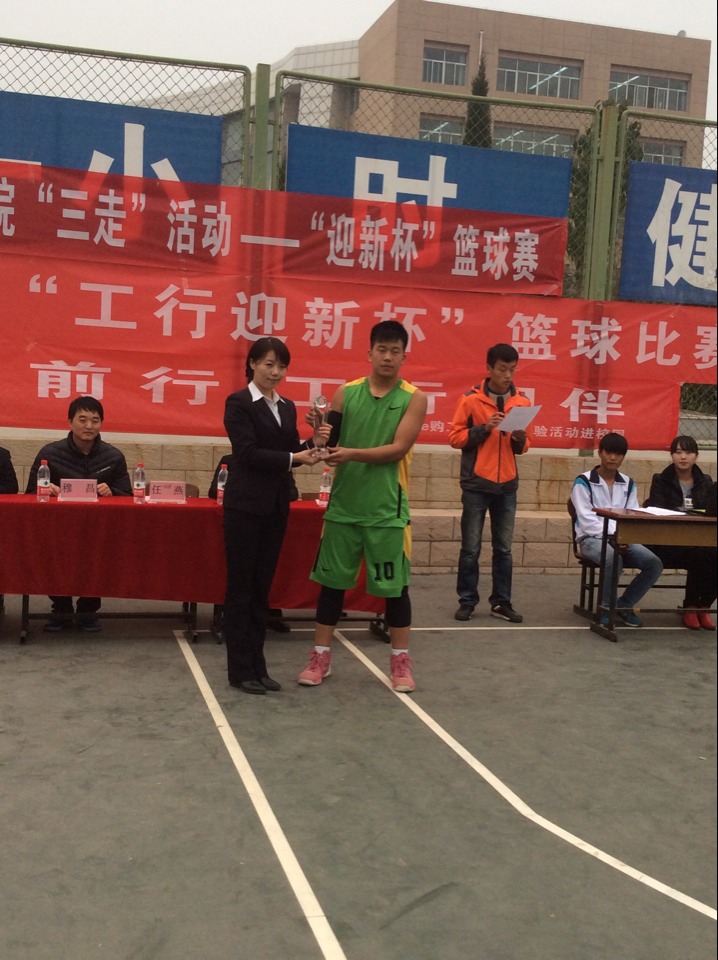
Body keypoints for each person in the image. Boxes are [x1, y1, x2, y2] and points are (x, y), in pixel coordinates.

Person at [297, 319, 427, 693]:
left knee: (395, 590)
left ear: (404, 356)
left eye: (395, 351)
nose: (387, 356)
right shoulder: (345, 393)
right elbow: (327, 445)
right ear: (369, 352)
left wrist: (351, 453)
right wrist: (318, 430)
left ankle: (400, 663)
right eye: (381, 349)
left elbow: (398, 449)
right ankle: (320, 657)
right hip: (344, 507)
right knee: (331, 586)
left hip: (387, 511)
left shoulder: (414, 398)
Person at [222, 336, 327, 695]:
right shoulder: (238, 403)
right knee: (241, 588)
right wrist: (295, 458)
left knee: (262, 589)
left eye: (281, 366)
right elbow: (247, 453)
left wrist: (315, 442)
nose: (275, 372)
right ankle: (240, 670)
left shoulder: (286, 406)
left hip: (275, 506)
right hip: (244, 507)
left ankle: (258, 665)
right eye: (268, 364)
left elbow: (291, 452)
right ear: (252, 364)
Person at [25, 396, 132, 631]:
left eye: (95, 420)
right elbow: (30, 492)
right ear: (70, 422)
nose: (89, 426)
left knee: (97, 560)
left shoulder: (113, 456)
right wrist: (46, 490)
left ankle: (88, 611)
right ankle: (61, 609)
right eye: (82, 420)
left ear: (101, 423)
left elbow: (127, 494)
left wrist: (112, 491)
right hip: (58, 528)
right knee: (55, 560)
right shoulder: (50, 454)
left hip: (98, 527)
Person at [448, 342, 532, 624]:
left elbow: (524, 446)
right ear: (489, 368)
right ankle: (467, 601)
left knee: (504, 549)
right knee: (471, 548)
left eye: (512, 370)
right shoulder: (470, 400)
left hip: (507, 485)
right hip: (476, 484)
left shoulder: (521, 402)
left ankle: (501, 602)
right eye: (502, 369)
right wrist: (484, 428)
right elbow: (455, 438)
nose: (507, 375)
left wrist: (520, 438)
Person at [571, 432, 662, 627]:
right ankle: (605, 608)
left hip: (623, 538)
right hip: (591, 539)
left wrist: (624, 538)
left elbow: (631, 515)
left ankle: (624, 605)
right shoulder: (583, 481)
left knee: (654, 564)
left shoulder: (628, 483)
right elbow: (587, 520)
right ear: (600, 453)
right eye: (609, 453)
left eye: (618, 454)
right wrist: (614, 537)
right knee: (613, 558)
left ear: (623, 457)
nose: (613, 458)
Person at [208, 454, 295, 635]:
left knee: (265, 574)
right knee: (240, 576)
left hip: (271, 521)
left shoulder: (280, 462)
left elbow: (292, 493)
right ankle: (235, 620)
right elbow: (214, 491)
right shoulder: (230, 460)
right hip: (241, 518)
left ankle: (267, 613)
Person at [645, 435, 716, 630]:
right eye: (678, 452)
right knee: (700, 554)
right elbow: (656, 510)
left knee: (710, 552)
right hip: (668, 543)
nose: (683, 457)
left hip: (699, 540)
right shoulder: (660, 480)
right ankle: (690, 607)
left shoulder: (706, 482)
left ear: (696, 456)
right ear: (672, 456)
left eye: (688, 452)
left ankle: (704, 606)